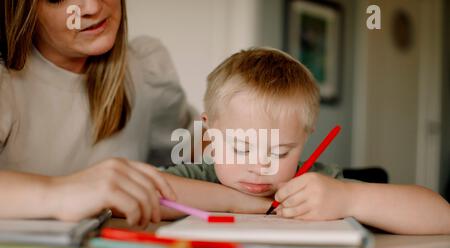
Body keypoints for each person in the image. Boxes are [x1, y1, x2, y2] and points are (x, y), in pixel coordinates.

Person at [0, 0, 270, 226]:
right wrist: (62, 193)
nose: (92, 6)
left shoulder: (144, 71)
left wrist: (279, 165)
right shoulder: (7, 83)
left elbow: (198, 151)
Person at [164, 47, 450, 235]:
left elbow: (442, 216)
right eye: (240, 148)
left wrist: (348, 198)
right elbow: (145, 195)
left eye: (280, 151)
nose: (259, 165)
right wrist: (236, 202)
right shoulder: (201, 175)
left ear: (304, 138)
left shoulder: (316, 183)